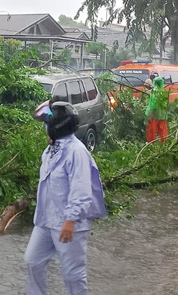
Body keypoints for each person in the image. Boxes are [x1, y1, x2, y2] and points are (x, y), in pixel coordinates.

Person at [25, 100, 106, 295]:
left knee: (73, 274)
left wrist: (70, 220)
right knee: (32, 261)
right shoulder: (52, 148)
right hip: (45, 220)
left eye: (48, 124)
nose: (45, 127)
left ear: (55, 128)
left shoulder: (76, 152)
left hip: (69, 223)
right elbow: (37, 114)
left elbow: (82, 190)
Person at [145, 76, 169, 142]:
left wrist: (150, 115)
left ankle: (151, 145)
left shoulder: (154, 92)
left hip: (155, 116)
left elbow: (153, 105)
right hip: (163, 116)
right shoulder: (163, 92)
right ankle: (163, 146)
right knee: (163, 133)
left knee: (151, 132)